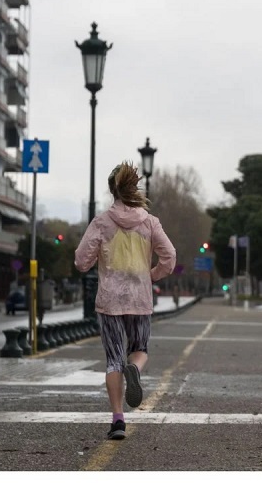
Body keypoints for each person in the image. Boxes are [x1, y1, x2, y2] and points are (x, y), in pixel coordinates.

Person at [75, 161, 176, 441]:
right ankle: (136, 368)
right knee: (139, 349)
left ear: (112, 191)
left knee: (113, 361)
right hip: (140, 299)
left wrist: (96, 259)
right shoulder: (149, 222)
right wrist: (150, 275)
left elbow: (81, 261)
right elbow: (169, 257)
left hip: (110, 301)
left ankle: (118, 420)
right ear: (134, 188)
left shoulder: (101, 222)